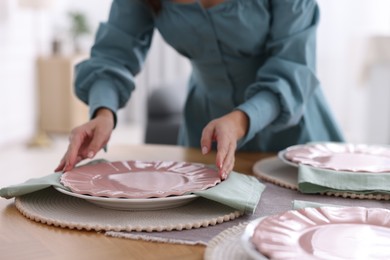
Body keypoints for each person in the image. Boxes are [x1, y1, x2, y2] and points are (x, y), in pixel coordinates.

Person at [55, 0, 344, 179]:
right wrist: (103, 112)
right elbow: (114, 53)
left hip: (289, 120)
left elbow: (292, 65)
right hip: (205, 131)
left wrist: (241, 119)